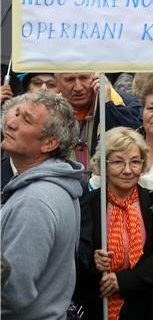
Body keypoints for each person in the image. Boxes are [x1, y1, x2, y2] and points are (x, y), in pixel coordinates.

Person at [75, 127, 153, 320]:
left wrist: (123, 281)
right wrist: (92, 261)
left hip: (145, 307)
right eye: (117, 162)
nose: (128, 170)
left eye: (135, 162)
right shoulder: (87, 204)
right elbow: (74, 254)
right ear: (103, 165)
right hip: (96, 307)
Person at [1, 92, 83, 319]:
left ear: (49, 143)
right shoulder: (55, 185)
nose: (11, 122)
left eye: (26, 120)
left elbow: (13, 292)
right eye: (15, 112)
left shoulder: (34, 201)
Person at [55, 72, 141, 170]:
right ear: (57, 83)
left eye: (84, 78)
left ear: (97, 77)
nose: (78, 88)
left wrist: (109, 106)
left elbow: (136, 143)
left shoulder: (125, 102)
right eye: (70, 80)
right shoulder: (49, 110)